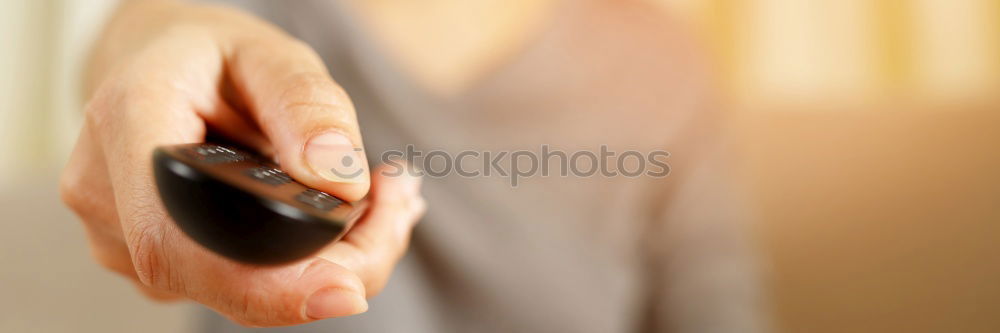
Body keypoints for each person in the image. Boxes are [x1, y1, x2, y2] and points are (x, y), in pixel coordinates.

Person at [60, 0, 766, 331]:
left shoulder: (661, 64)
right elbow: (159, 32)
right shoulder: (273, 14)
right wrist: (142, 51)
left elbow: (716, 304)